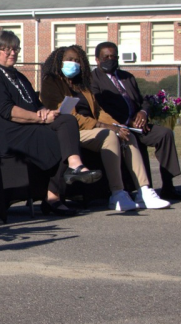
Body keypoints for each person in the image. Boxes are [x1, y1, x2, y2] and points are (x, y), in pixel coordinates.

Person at [0, 31, 101, 216]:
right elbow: (8, 112)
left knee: (67, 121)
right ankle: (54, 195)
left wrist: (45, 110)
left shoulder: (19, 76)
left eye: (15, 49)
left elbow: (35, 103)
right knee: (60, 139)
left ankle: (72, 170)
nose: (12, 53)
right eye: (6, 50)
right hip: (11, 133)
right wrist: (40, 118)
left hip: (31, 126)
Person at [42, 46, 170, 211]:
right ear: (59, 62)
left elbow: (99, 112)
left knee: (126, 134)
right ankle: (117, 193)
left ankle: (143, 190)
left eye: (77, 61)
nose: (73, 64)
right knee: (109, 135)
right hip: (71, 131)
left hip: (93, 128)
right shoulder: (51, 82)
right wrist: (107, 127)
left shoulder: (83, 85)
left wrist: (118, 125)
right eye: (69, 60)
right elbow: (70, 117)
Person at [90, 42, 181, 202]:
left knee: (165, 134)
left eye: (114, 56)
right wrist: (127, 121)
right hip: (117, 125)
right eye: (106, 57)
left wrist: (143, 112)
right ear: (97, 59)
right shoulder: (93, 80)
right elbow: (101, 107)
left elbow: (143, 100)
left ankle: (168, 186)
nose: (110, 60)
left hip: (139, 124)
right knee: (133, 142)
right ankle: (139, 189)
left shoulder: (127, 77)